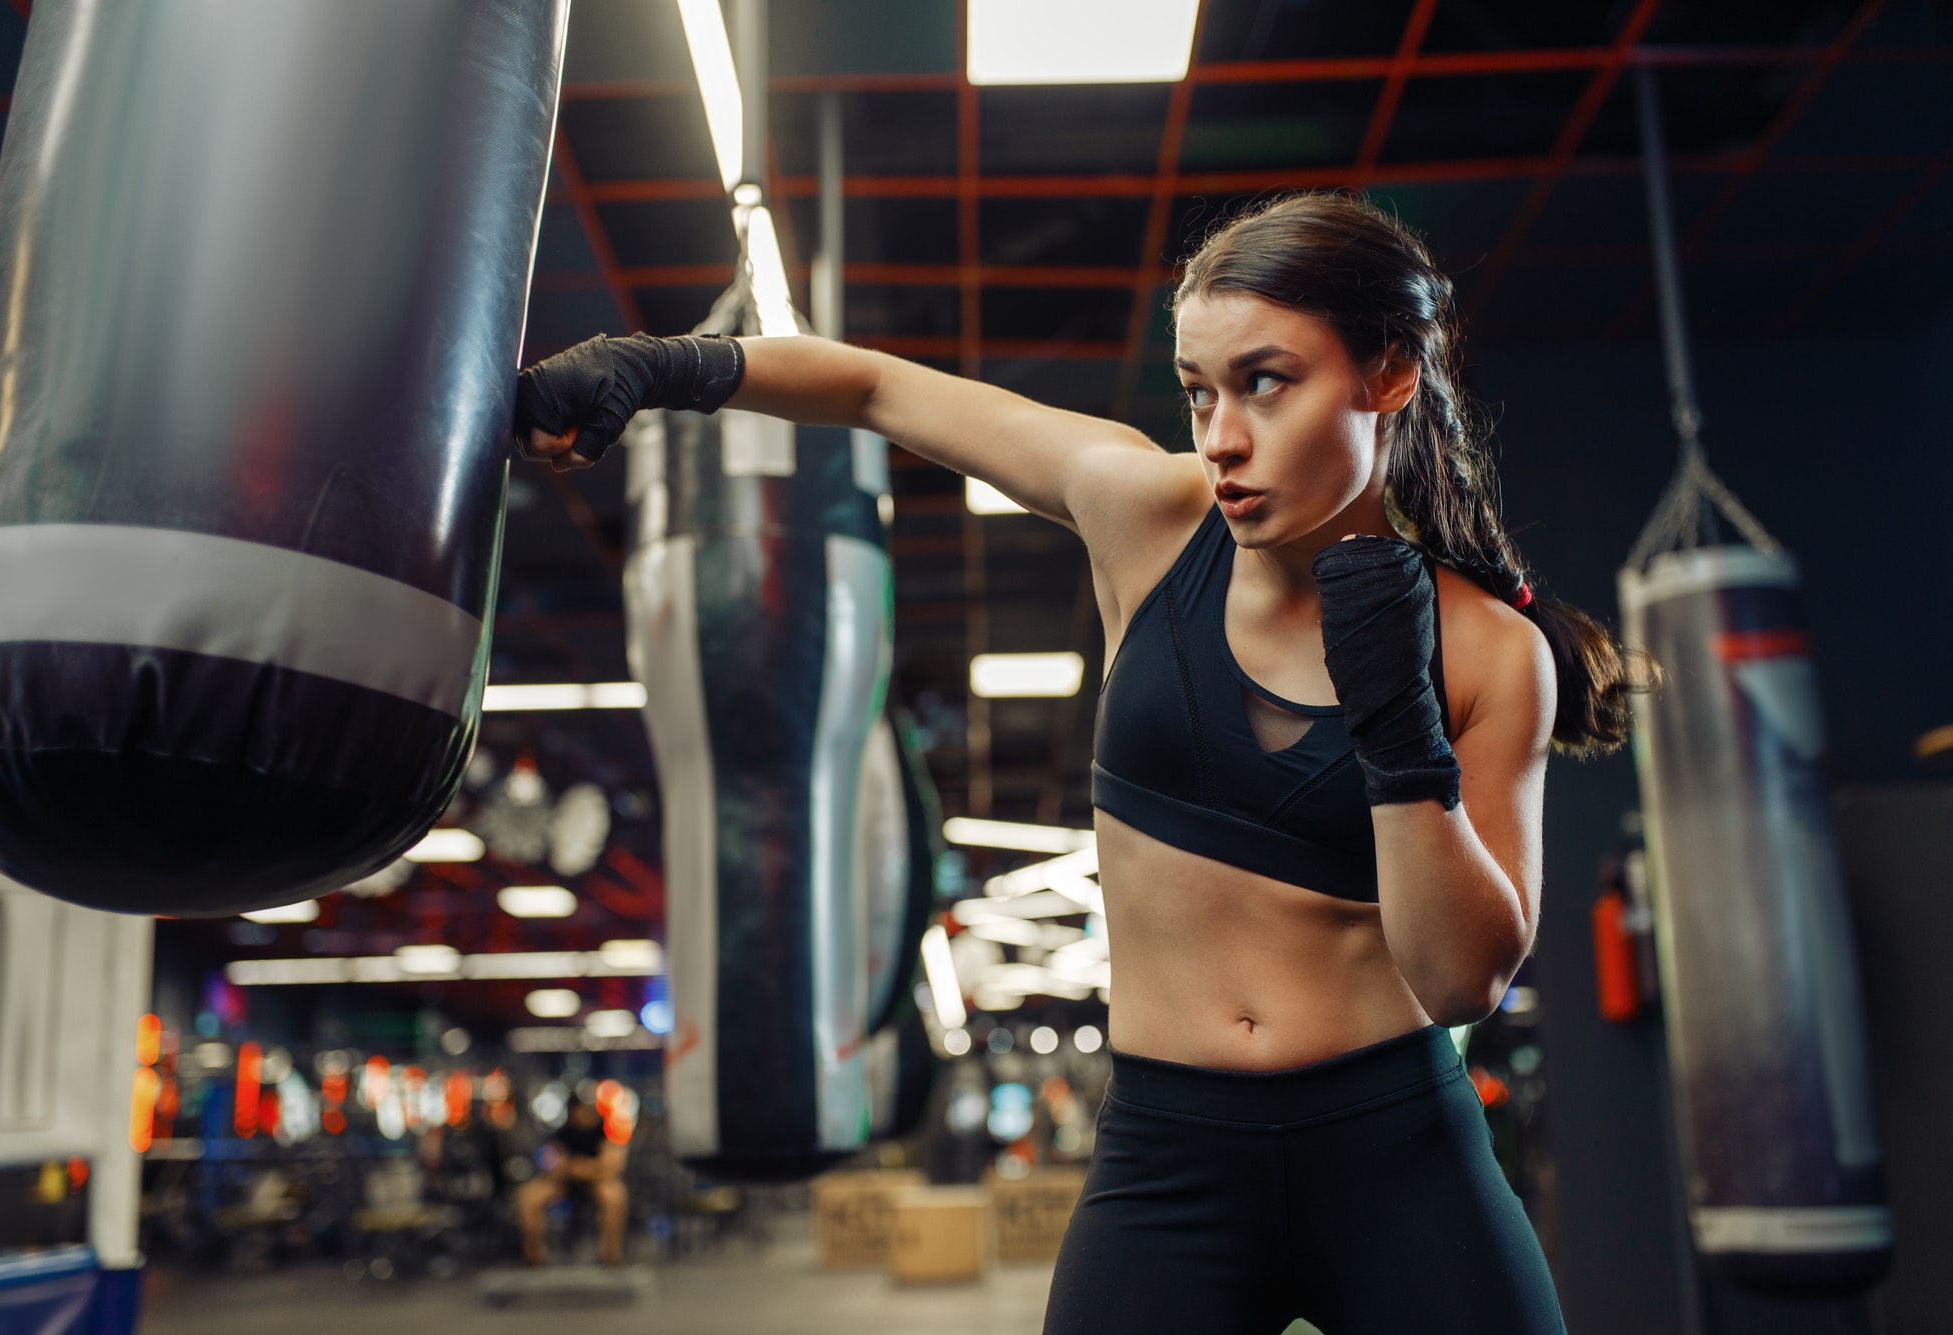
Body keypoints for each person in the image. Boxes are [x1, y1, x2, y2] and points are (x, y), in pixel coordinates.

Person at [512, 192, 1629, 1332]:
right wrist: (653, 366)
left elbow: (1459, 981)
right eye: (1197, 390)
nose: (1220, 436)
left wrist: (1397, 731)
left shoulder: (1489, 651)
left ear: (1387, 375)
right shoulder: (1143, 513)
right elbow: (877, 389)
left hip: (1395, 1144)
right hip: (1169, 1156)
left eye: (1266, 382)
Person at [514, 1095, 627, 1267]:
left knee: (615, 1196)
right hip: (564, 1183)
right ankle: (533, 1255)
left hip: (596, 1182)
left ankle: (611, 1255)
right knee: (528, 1196)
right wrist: (573, 1168)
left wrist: (583, 1169)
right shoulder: (563, 1133)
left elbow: (611, 1164)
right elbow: (553, 1164)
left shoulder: (600, 1133)